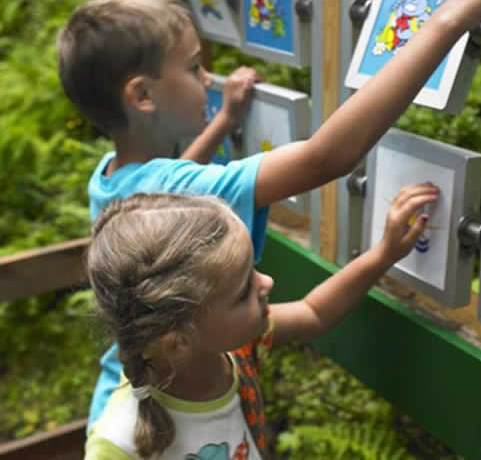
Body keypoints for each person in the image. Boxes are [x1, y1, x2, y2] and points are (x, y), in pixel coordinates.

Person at [56, 0, 481, 428]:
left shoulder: (113, 181)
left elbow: (174, 183)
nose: (208, 79)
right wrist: (453, 16)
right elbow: (326, 157)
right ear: (142, 96)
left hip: (129, 400)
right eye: (192, 69)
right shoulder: (182, 193)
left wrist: (223, 123)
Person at [84, 184, 439, 459]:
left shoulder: (233, 349)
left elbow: (313, 313)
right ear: (178, 340)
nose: (266, 282)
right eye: (243, 290)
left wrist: (385, 253)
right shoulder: (117, 442)